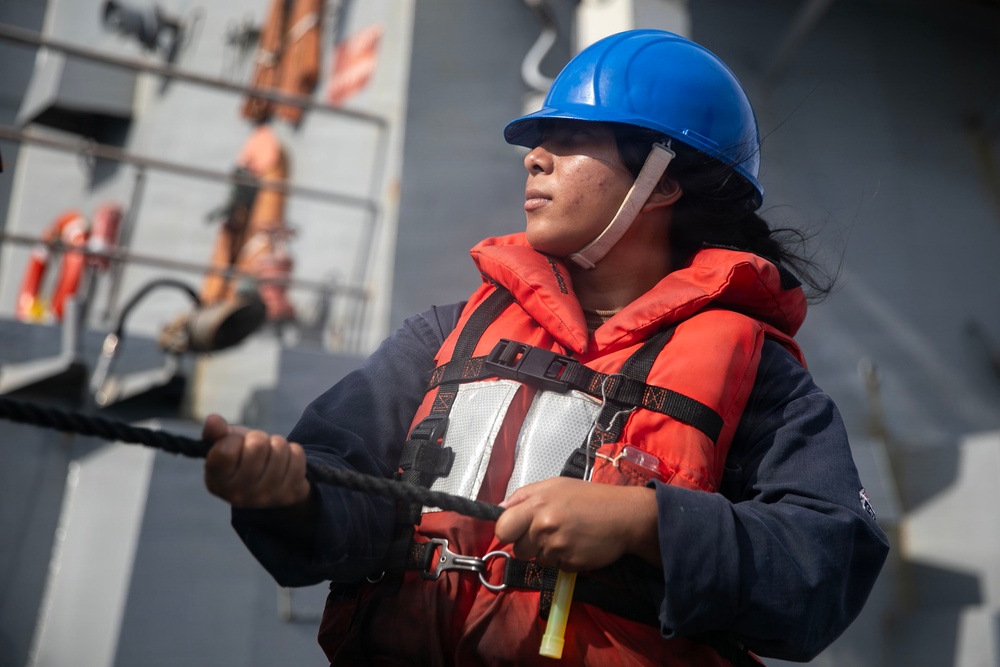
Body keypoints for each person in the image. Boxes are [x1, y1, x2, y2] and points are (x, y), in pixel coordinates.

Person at [203, 29, 889, 666]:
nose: (534, 156)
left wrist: (649, 522)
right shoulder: (444, 336)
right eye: (539, 140)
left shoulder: (760, 379)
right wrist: (284, 491)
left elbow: (826, 566)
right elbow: (340, 487)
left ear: (665, 181)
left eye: (567, 138)